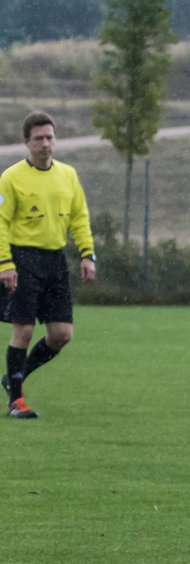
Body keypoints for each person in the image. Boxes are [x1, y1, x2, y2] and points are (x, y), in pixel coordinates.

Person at [0, 112, 95, 419]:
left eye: (50, 137)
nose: (45, 144)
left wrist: (87, 254)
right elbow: (1, 222)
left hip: (55, 260)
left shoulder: (68, 175)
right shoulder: (11, 177)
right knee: (24, 330)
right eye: (38, 138)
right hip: (22, 258)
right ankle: (17, 401)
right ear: (26, 142)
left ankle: (13, 379)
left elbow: (79, 216)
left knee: (61, 334)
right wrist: (5, 263)